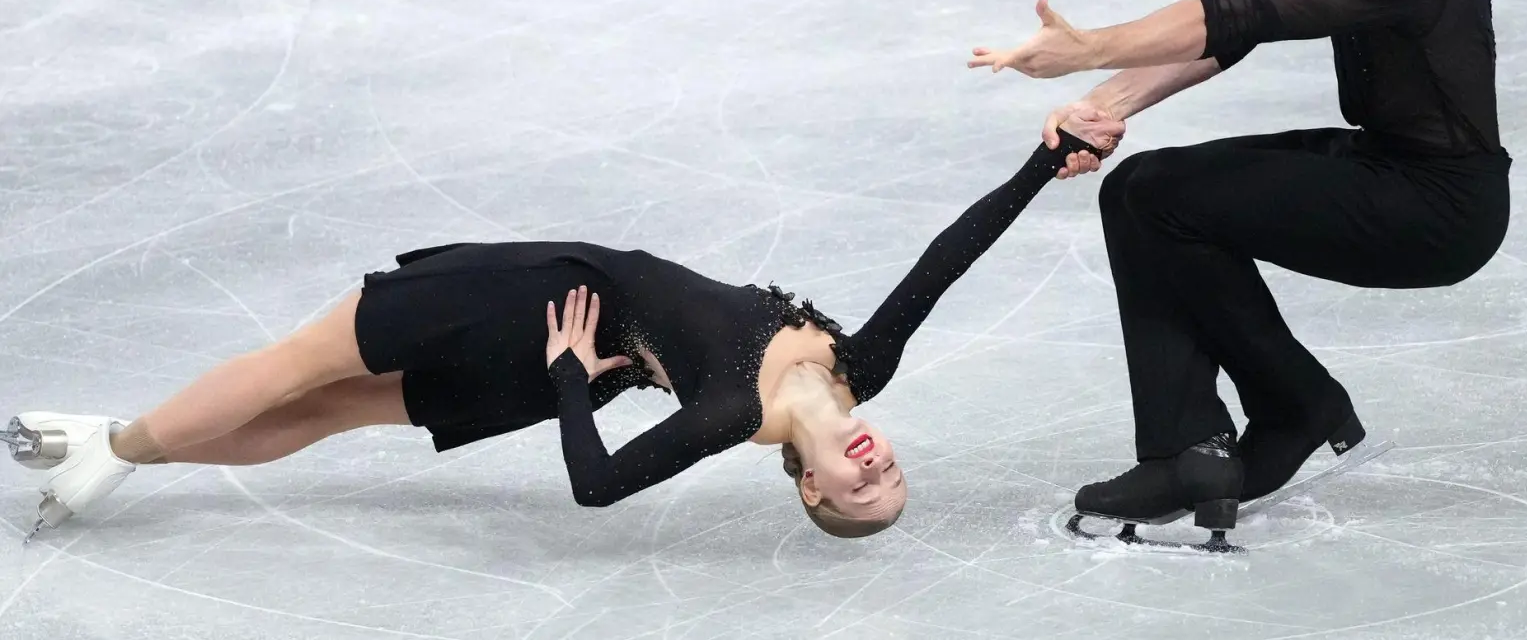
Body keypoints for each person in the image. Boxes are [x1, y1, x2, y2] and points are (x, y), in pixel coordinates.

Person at [7, 128, 1113, 543]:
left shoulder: (737, 412)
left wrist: (571, 378)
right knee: (323, 412)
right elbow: (948, 262)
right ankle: (116, 443)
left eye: (861, 496)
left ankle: (119, 450)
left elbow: (595, 489)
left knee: (303, 373)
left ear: (811, 489)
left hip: (552, 318)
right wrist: (1039, 163)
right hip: (569, 356)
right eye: (893, 482)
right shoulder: (855, 367)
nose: (879, 472)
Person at [968, 0, 1508, 537]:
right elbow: (1240, 14)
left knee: (1167, 202)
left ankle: (1290, 405)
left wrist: (1090, 47)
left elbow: (1241, 17)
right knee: (1142, 192)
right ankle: (1189, 450)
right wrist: (1107, 102)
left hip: (1440, 208)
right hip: (1384, 162)